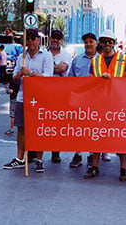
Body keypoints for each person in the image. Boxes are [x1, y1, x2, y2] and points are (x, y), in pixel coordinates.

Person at [83, 30, 126, 182]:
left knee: (121, 138)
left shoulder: (124, 59)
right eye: (105, 41)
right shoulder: (95, 61)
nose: (108, 44)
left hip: (119, 106)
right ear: (101, 43)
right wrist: (101, 81)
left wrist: (112, 81)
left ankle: (123, 169)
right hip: (100, 105)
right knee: (97, 136)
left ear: (114, 43)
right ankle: (95, 167)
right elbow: (91, 82)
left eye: (110, 41)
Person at [3, 28, 53, 173]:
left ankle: (39, 159)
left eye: (33, 38)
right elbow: (14, 77)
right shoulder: (21, 57)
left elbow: (48, 78)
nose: (30, 41)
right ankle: (20, 158)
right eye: (28, 39)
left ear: (38, 40)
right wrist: (17, 76)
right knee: (21, 128)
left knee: (39, 128)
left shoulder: (46, 56)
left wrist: (30, 73)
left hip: (39, 98)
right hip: (23, 97)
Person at [68, 32, 99, 168]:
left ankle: (93, 155)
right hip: (80, 100)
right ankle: (78, 154)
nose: (88, 44)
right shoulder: (77, 60)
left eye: (91, 42)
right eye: (86, 42)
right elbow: (70, 80)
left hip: (96, 101)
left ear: (96, 43)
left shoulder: (101, 61)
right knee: (79, 129)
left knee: (94, 129)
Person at [48, 29, 72, 163]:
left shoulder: (66, 54)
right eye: (54, 38)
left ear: (62, 41)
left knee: (56, 123)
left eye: (58, 38)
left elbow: (63, 69)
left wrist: (47, 68)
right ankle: (34, 151)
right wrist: (54, 67)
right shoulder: (44, 53)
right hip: (44, 91)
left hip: (59, 92)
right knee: (40, 120)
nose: (55, 40)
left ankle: (55, 152)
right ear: (50, 39)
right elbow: (41, 70)